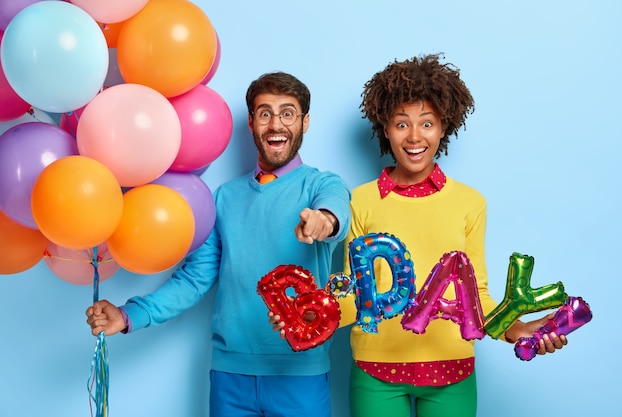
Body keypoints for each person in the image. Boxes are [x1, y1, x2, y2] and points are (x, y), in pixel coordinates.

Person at [86, 72, 351, 417]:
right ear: (252, 122)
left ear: (305, 122)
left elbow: (336, 210)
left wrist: (323, 220)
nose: (276, 124)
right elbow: (195, 280)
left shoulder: (321, 185)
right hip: (230, 377)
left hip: (300, 375)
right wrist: (127, 315)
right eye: (265, 113)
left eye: (287, 113)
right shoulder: (224, 197)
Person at [341, 54, 567, 417]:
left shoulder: (470, 203)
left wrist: (517, 328)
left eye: (427, 123)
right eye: (402, 124)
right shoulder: (358, 200)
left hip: (452, 371)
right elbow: (354, 291)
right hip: (374, 371)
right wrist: (306, 318)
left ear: (444, 126)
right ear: (385, 127)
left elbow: (475, 294)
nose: (414, 137)